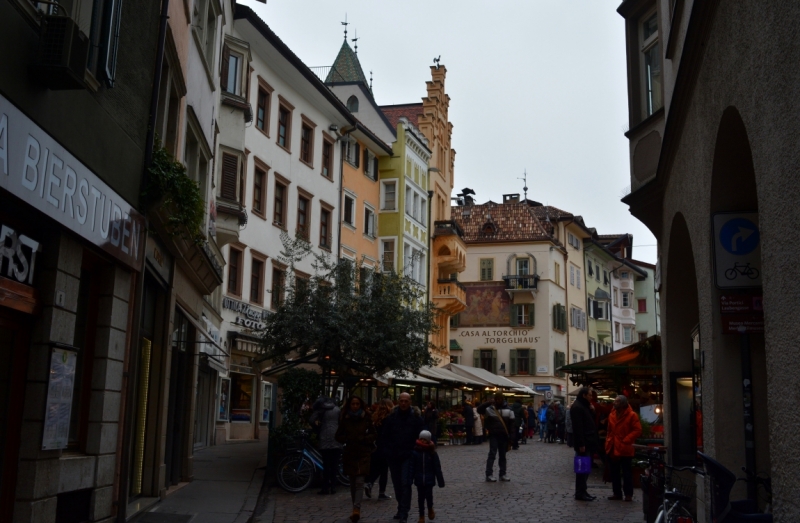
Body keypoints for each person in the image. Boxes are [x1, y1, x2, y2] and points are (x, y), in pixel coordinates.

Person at [381, 392, 425, 523]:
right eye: (401, 401)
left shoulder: (416, 418)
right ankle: (401, 507)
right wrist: (387, 451)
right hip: (394, 455)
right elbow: (384, 436)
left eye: (406, 401)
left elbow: (422, 436)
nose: (404, 403)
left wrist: (416, 450)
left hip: (408, 455)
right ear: (398, 402)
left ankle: (404, 512)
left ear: (410, 402)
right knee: (397, 484)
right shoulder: (392, 417)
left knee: (405, 483)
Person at [335, 396, 375, 522]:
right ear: (350, 405)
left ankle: (356, 509)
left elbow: (374, 434)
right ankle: (355, 508)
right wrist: (346, 439)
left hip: (363, 453)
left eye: (357, 404)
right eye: (353, 404)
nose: (355, 406)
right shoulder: (345, 418)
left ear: (360, 405)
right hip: (350, 453)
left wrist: (365, 439)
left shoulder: (366, 417)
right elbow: (338, 435)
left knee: (359, 481)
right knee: (353, 482)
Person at [605, 395, 642, 502]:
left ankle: (628, 494)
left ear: (622, 404)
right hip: (613, 447)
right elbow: (609, 430)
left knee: (627, 473)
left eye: (617, 402)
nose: (614, 403)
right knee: (614, 472)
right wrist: (608, 441)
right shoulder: (612, 415)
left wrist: (626, 440)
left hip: (625, 447)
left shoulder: (632, 415)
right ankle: (616, 493)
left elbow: (637, 430)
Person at [477, 392, 515, 482]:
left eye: (499, 399)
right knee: (492, 454)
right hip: (494, 435)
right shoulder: (490, 409)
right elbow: (479, 410)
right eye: (496, 399)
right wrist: (488, 402)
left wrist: (512, 437)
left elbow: (512, 425)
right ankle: (489, 474)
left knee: (502, 455)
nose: (498, 401)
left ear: (502, 399)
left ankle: (503, 474)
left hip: (504, 436)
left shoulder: (509, 410)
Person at [409, 430, 445, 523]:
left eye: (424, 439)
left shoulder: (432, 453)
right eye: (421, 439)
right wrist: (410, 478)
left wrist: (440, 481)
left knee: (429, 496)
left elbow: (437, 467)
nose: (423, 441)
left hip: (429, 479)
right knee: (420, 498)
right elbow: (412, 467)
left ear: (428, 440)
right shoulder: (415, 453)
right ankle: (421, 515)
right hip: (419, 479)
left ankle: (430, 508)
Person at [571, 387, 599, 502]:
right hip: (583, 443)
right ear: (584, 395)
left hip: (588, 441)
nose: (591, 397)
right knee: (582, 470)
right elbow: (578, 428)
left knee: (585, 469)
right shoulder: (577, 407)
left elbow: (588, 421)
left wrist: (592, 410)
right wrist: (581, 444)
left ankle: (583, 491)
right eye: (589, 395)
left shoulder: (584, 406)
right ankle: (580, 492)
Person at [309, 395, 341, 495]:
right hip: (336, 437)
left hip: (324, 437)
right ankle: (333, 487)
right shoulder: (337, 409)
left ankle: (325, 487)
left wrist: (317, 428)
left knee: (326, 465)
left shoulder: (321, 409)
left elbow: (311, 420)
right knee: (334, 464)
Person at [365, 398, 395, 501]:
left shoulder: (375, 417)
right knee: (383, 469)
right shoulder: (390, 418)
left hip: (376, 446)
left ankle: (370, 483)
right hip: (385, 446)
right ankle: (380, 491)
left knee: (377, 467)